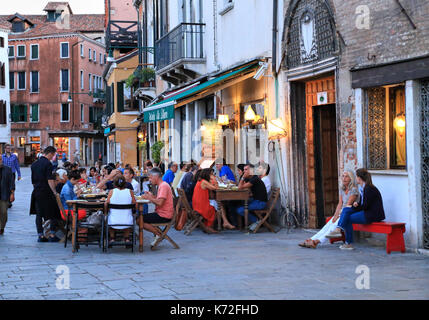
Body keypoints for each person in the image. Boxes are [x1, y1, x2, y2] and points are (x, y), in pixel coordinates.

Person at [326, 168, 386, 250]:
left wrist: (356, 206)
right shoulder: (363, 188)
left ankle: (346, 241)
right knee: (346, 210)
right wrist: (355, 205)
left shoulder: (369, 189)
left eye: (356, 176)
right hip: (366, 212)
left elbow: (365, 206)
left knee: (348, 218)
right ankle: (339, 230)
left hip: (372, 215)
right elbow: (362, 204)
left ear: (359, 178)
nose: (356, 178)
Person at [299, 171, 359, 249]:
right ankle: (312, 239)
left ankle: (316, 242)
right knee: (327, 226)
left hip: (349, 212)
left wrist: (339, 215)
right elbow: (340, 203)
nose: (344, 178)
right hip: (342, 212)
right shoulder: (342, 189)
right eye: (343, 176)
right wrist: (335, 215)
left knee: (332, 227)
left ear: (351, 178)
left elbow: (348, 204)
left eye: (346, 176)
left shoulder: (354, 190)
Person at [29, 146, 62, 242]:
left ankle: (40, 235)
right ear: (50, 153)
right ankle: (52, 234)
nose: (53, 157)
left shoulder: (34, 164)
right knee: (54, 212)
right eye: (53, 155)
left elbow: (33, 181)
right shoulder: (48, 164)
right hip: (46, 191)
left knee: (39, 214)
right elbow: (50, 180)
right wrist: (54, 192)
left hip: (37, 191)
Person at [141, 168, 174, 247]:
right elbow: (159, 199)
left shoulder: (163, 186)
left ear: (155, 177)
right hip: (163, 213)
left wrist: (149, 198)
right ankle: (158, 234)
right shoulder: (162, 185)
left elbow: (159, 203)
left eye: (150, 177)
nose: (149, 180)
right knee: (141, 218)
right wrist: (152, 196)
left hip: (164, 215)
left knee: (139, 220)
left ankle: (158, 234)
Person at [105, 175, 136, 244]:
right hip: (127, 222)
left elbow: (106, 204)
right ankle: (127, 238)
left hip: (113, 222)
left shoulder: (111, 192)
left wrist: (106, 211)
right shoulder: (130, 191)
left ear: (114, 184)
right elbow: (135, 204)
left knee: (110, 215)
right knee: (127, 215)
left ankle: (112, 238)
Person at [236, 164, 268, 231]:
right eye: (244, 170)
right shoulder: (251, 178)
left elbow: (239, 187)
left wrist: (243, 177)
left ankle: (256, 221)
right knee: (238, 205)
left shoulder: (254, 179)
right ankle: (253, 222)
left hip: (260, 203)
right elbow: (242, 187)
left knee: (240, 210)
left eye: (246, 170)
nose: (244, 171)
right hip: (256, 200)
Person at [0, 154, 15, 235]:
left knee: (3, 213)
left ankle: (2, 227)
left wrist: (12, 193)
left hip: (4, 194)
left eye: (0, 159)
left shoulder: (7, 169)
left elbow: (11, 182)